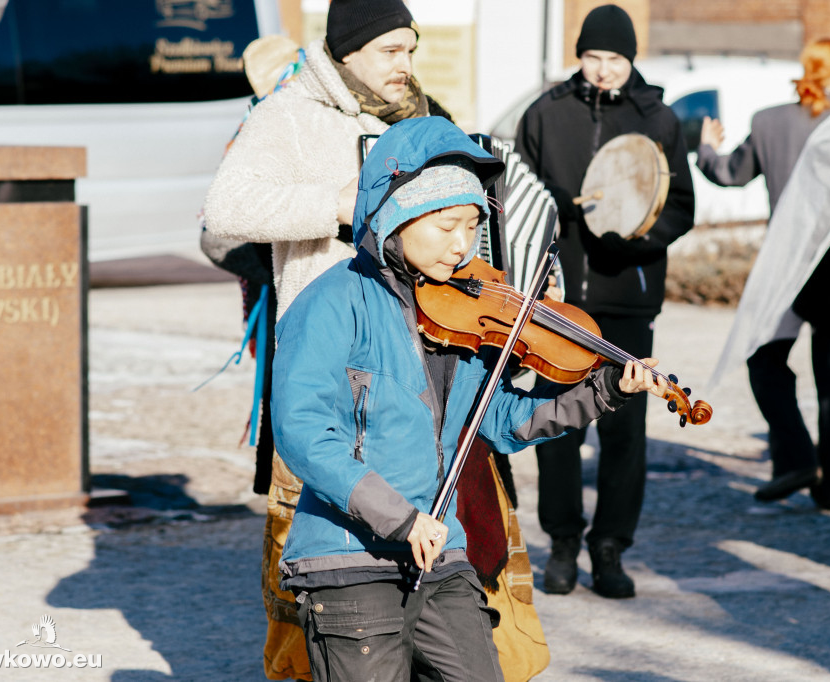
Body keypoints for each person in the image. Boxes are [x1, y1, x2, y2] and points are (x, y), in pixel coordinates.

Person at [203, 2, 550, 679]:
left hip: (434, 364)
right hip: (339, 366)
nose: (405, 65)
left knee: (461, 542)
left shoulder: (425, 115)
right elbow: (223, 211)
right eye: (391, 50)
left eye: (410, 49)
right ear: (347, 50)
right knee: (334, 545)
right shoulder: (290, 114)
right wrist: (337, 203)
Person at [271, 115, 668, 682]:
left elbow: (503, 420)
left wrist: (602, 391)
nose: (462, 246)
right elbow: (303, 430)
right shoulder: (332, 301)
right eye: (446, 226)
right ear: (394, 215)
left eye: (473, 225)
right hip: (348, 555)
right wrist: (400, 519)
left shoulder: (461, 313)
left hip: (441, 548)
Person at [514, 4, 695, 599]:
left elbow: (681, 205)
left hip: (627, 295)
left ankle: (610, 545)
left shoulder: (658, 118)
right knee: (558, 423)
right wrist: (548, 206)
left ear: (631, 59)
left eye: (614, 58)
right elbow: (513, 194)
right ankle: (563, 541)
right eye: (593, 56)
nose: (602, 69)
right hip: (557, 298)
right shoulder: (546, 112)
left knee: (623, 430)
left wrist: (638, 238)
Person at [694, 39, 830, 508]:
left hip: (784, 265)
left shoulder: (768, 121)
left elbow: (730, 173)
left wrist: (706, 149)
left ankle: (796, 457)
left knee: (764, 360)